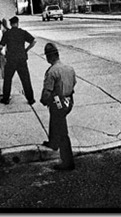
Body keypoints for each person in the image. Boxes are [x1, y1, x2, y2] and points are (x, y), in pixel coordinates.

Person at [40, 43, 76, 171]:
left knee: (61, 127)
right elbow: (74, 84)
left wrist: (44, 100)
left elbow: (47, 91)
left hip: (58, 101)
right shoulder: (69, 68)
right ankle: (53, 142)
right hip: (69, 100)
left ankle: (67, 161)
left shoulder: (52, 71)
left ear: (49, 57)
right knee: (55, 118)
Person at [0, 16, 37, 105]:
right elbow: (34, 41)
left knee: (8, 79)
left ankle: (6, 99)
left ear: (11, 24)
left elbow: (0, 47)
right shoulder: (23, 32)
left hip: (11, 60)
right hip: (21, 60)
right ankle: (30, 99)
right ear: (18, 23)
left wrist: (2, 53)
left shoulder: (7, 33)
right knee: (25, 79)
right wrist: (26, 50)